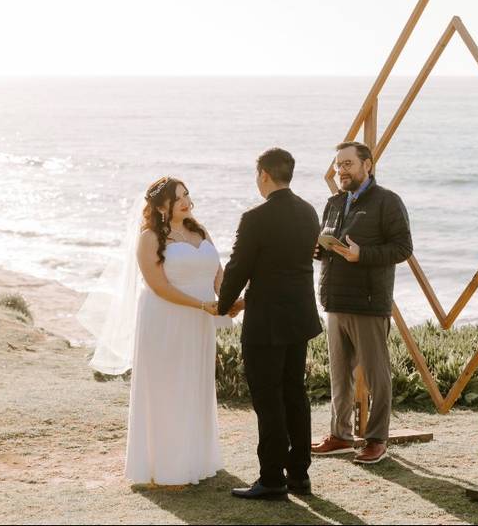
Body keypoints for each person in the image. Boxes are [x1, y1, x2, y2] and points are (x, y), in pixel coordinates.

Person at [218, 148, 323, 499]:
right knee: (295, 393)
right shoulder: (309, 211)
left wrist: (223, 305)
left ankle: (272, 479)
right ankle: (299, 476)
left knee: (268, 399)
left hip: (265, 321)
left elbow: (238, 267)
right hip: (299, 317)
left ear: (263, 174)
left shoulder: (255, 218)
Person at [118, 176, 233, 486]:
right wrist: (199, 304)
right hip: (166, 319)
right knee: (168, 387)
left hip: (200, 321)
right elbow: (158, 286)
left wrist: (229, 301)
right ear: (159, 205)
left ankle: (196, 458)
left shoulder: (199, 230)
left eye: (186, 194)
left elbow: (217, 273)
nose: (185, 201)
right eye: (177, 197)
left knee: (195, 384)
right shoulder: (149, 237)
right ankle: (167, 464)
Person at [311, 141, 413, 465]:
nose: (341, 170)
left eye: (348, 164)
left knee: (376, 375)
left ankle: (376, 440)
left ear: (367, 165)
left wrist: (363, 255)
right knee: (339, 377)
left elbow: (403, 249)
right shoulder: (333, 203)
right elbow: (328, 244)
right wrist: (318, 251)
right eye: (338, 165)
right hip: (335, 301)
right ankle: (340, 436)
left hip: (369, 303)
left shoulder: (388, 202)